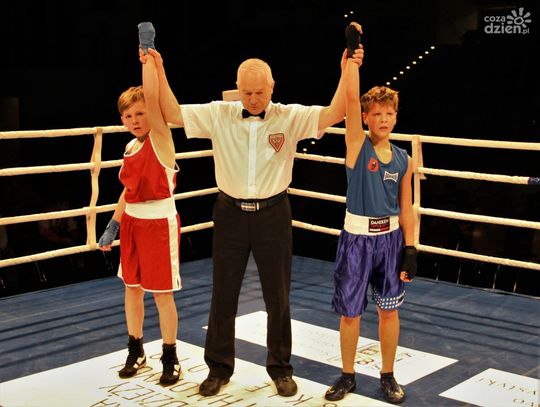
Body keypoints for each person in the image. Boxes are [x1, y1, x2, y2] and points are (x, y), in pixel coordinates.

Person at [141, 31, 364, 397]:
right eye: (247, 93)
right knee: (223, 294)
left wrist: (347, 70)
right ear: (237, 88)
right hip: (229, 212)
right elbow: (172, 113)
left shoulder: (289, 116)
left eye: (260, 92)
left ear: (272, 87)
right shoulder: (220, 113)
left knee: (278, 296)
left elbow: (335, 112)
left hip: (273, 214)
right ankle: (218, 368)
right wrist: (159, 70)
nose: (254, 99)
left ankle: (280, 368)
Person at [324, 22, 417, 404]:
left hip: (391, 241)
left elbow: (407, 207)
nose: (383, 119)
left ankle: (388, 375)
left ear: (395, 116)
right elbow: (349, 100)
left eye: (389, 113)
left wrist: (411, 248)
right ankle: (347, 375)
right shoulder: (355, 146)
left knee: (389, 312)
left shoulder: (404, 159)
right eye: (376, 113)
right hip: (357, 240)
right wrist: (351, 58)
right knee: (350, 314)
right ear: (366, 117)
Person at [98, 23, 181, 386]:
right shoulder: (130, 147)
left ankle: (170, 355)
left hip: (159, 225)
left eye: (140, 113)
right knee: (131, 288)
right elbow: (128, 191)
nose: (134, 121)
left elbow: (154, 96)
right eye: (128, 116)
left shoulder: (161, 140)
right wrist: (113, 224)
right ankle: (136, 348)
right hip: (132, 223)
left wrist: (147, 54)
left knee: (162, 295)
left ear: (152, 114)